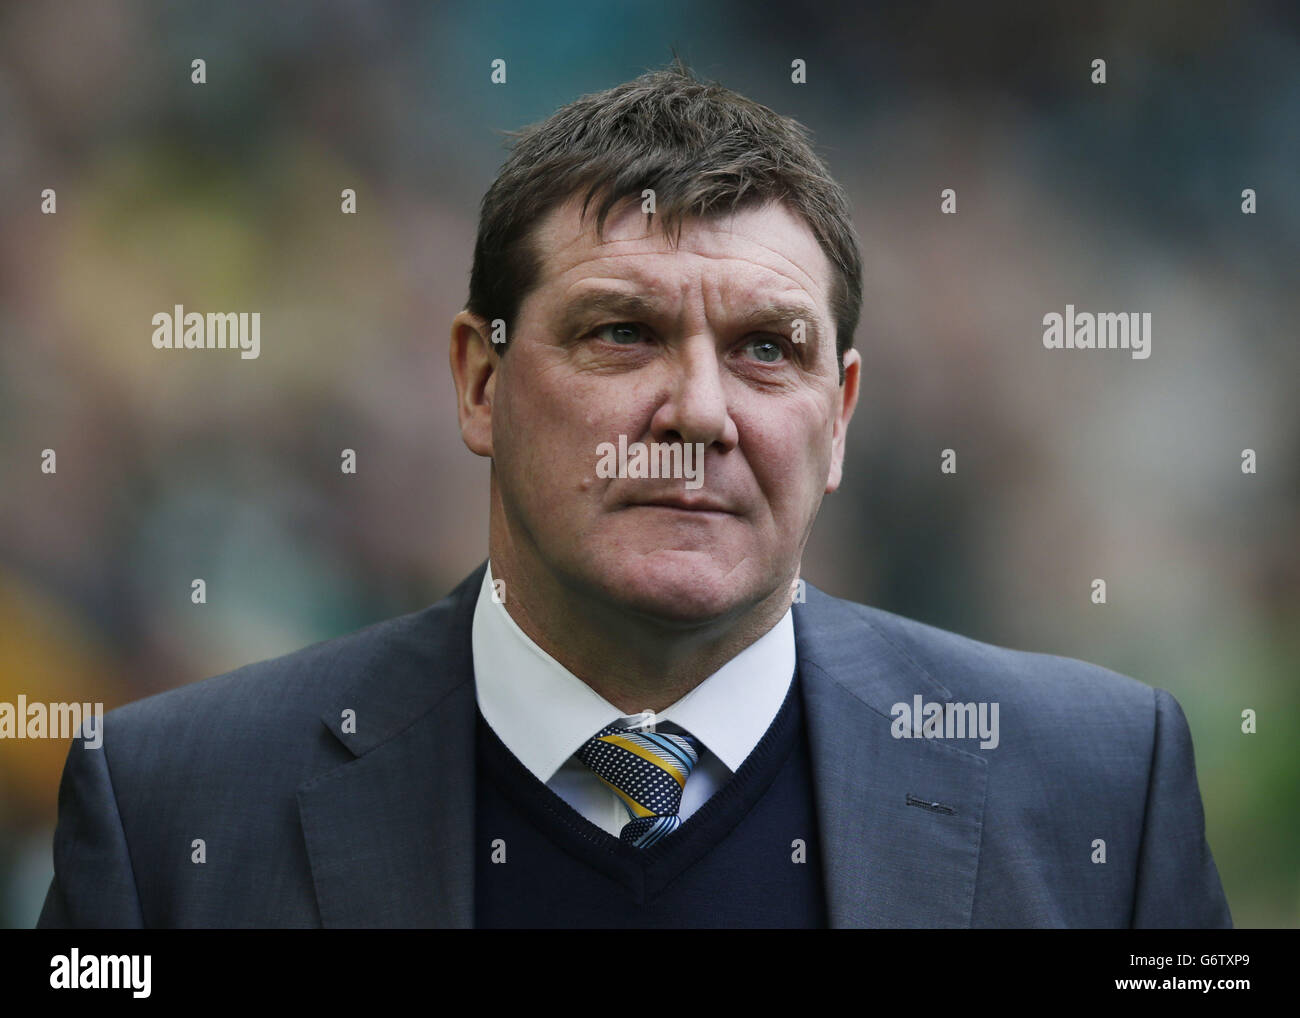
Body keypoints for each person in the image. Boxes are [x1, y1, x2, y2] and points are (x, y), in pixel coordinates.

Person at [38, 60, 1230, 928]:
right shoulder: (171, 810)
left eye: (768, 348)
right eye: (621, 331)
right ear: (479, 379)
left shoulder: (1097, 788)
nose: (700, 411)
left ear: (840, 416)